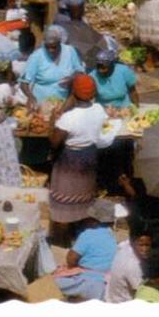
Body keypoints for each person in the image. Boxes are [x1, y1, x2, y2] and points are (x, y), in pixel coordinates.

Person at [49, 75, 115, 238]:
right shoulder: (99, 110)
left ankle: (63, 237)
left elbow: (54, 142)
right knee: (84, 194)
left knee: (66, 198)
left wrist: (52, 121)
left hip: (70, 160)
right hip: (89, 157)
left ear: (73, 93)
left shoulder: (69, 118)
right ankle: (80, 231)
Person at [54, 199, 118, 301]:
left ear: (93, 220)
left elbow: (71, 258)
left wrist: (73, 268)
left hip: (85, 282)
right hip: (104, 283)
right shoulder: (112, 237)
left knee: (52, 282)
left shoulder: (87, 234)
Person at [20, 25, 84, 108]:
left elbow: (80, 70)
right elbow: (24, 83)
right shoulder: (36, 56)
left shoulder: (70, 51)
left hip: (63, 103)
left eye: (54, 47)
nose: (51, 50)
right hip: (41, 103)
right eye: (47, 47)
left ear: (60, 43)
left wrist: (72, 77)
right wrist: (31, 97)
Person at [105, 227, 152, 303]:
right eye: (141, 245)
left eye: (147, 245)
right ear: (133, 244)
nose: (145, 249)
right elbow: (144, 292)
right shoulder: (133, 265)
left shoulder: (123, 248)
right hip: (124, 305)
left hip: (111, 298)